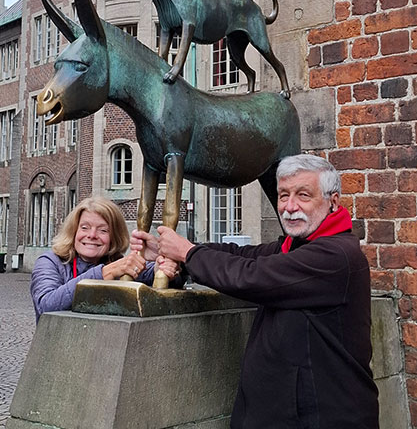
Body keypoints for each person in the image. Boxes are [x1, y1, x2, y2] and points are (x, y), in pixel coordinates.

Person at [132, 154, 379, 428]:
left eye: (303, 195)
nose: (290, 207)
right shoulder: (294, 247)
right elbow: (240, 254)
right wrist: (171, 251)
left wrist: (187, 254)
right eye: (283, 195)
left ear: (333, 202)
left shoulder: (336, 255)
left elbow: (250, 276)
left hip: (323, 417)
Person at [30, 196, 181, 321]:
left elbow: (168, 280)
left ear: (114, 237)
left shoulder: (116, 263)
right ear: (73, 231)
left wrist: (162, 261)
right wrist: (105, 273)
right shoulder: (50, 262)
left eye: (103, 230)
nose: (92, 235)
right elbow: (45, 306)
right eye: (84, 228)